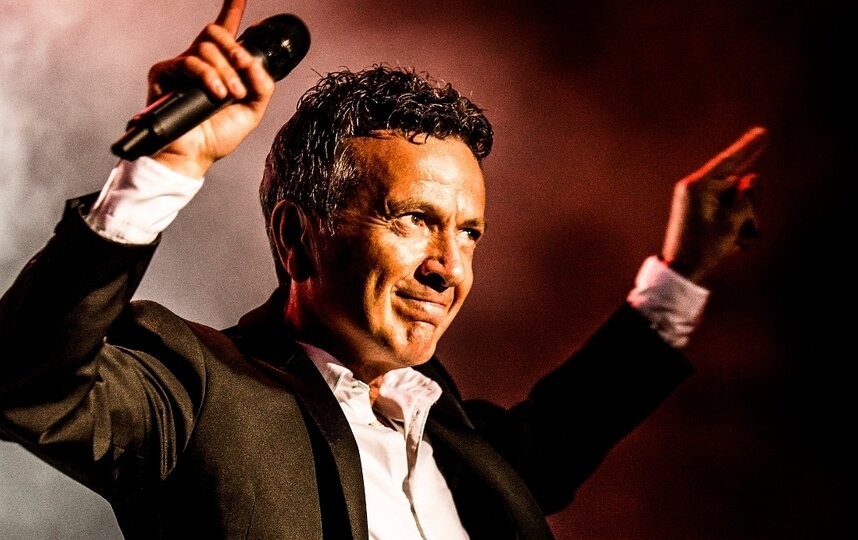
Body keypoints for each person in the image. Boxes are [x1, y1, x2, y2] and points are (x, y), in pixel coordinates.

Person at [0, 1, 768, 538]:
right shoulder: (196, 391)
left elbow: (564, 431)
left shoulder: (451, 434)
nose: (449, 268)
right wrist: (166, 166)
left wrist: (683, 270)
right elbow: (27, 382)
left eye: (469, 234)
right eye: (414, 221)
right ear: (297, 238)